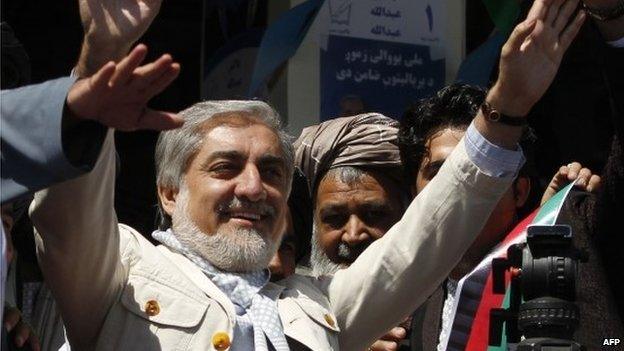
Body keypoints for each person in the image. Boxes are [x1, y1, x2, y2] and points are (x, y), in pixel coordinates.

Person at [30, 1, 586, 350]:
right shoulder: (119, 270)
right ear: (169, 191)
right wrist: (94, 67)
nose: (254, 188)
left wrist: (506, 107)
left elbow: (423, 241)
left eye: (272, 171)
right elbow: (64, 218)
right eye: (227, 168)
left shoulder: (317, 303)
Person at [397, 83, 599, 350]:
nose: (456, 191)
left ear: (519, 192)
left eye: (480, 175)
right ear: (415, 194)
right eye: (439, 175)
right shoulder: (405, 308)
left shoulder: (563, 282)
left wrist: (556, 221)